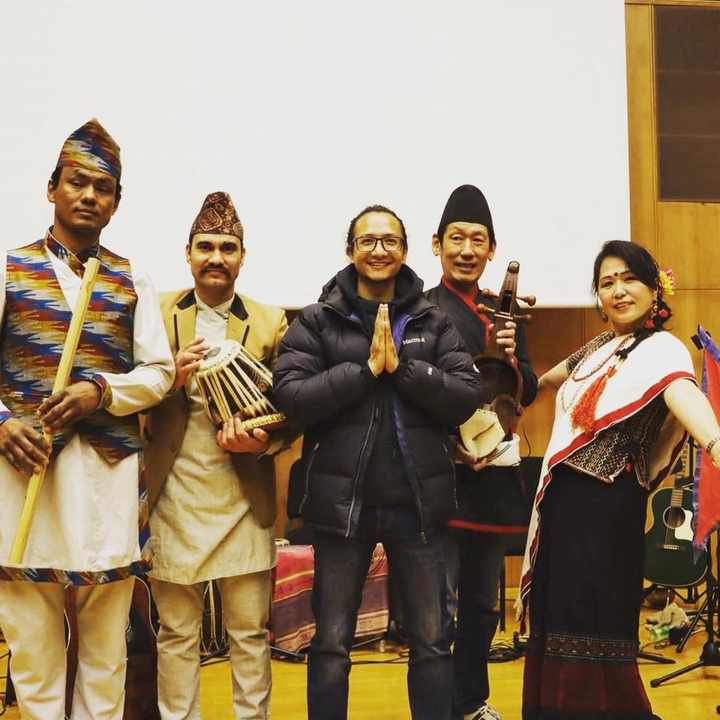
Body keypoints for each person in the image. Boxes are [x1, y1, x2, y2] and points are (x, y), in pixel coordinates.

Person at [273, 204, 481, 720]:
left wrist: (403, 369)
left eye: (390, 241)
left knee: (432, 642)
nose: (379, 249)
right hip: (343, 509)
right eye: (367, 240)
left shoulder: (433, 320)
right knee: (331, 644)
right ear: (350, 251)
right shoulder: (318, 320)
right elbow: (292, 396)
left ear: (405, 251)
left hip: (418, 507)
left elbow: (465, 396)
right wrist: (365, 371)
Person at [0, 118, 175, 720]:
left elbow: (160, 373)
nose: (89, 196)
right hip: (24, 484)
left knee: (105, 650)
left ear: (116, 203)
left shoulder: (130, 278)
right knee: (32, 645)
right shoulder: (9, 270)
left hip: (107, 481)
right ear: (51, 188)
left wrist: (101, 392)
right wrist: (3, 423)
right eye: (77, 182)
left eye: (103, 188)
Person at [519, 240, 720, 720]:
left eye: (630, 279)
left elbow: (683, 394)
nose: (618, 290)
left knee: (595, 612)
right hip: (563, 501)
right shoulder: (597, 348)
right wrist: (513, 387)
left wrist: (715, 443)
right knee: (559, 608)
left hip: (608, 505)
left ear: (654, 288)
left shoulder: (663, 349)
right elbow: (545, 382)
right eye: (607, 283)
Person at [143, 191, 290, 719]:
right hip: (173, 495)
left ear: (242, 256)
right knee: (177, 632)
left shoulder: (270, 321)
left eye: (228, 248)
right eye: (205, 247)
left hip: (242, 498)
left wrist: (264, 440)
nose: (216, 257)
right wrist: (168, 378)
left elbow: (291, 409)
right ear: (187, 253)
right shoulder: (156, 313)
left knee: (249, 632)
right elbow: (129, 391)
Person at [425, 184, 538, 720]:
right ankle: (436, 707)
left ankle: (471, 702)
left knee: (481, 605)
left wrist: (512, 360)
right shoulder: (422, 310)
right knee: (439, 606)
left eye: (478, 240)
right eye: (456, 238)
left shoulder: (504, 313)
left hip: (492, 479)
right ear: (437, 244)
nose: (466, 250)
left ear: (492, 250)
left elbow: (527, 388)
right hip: (441, 476)